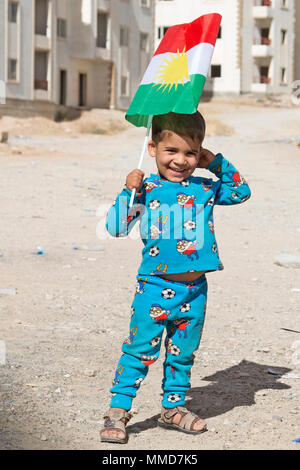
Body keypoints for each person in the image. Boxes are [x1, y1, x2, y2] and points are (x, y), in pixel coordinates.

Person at [100, 112, 251, 444]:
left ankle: (173, 409)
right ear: (152, 148)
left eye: (191, 153)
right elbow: (115, 227)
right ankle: (118, 411)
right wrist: (128, 191)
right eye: (172, 151)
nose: (181, 160)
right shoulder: (145, 188)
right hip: (155, 286)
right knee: (140, 351)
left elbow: (241, 193)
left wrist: (217, 163)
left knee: (183, 352)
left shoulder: (205, 187)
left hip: (195, 290)